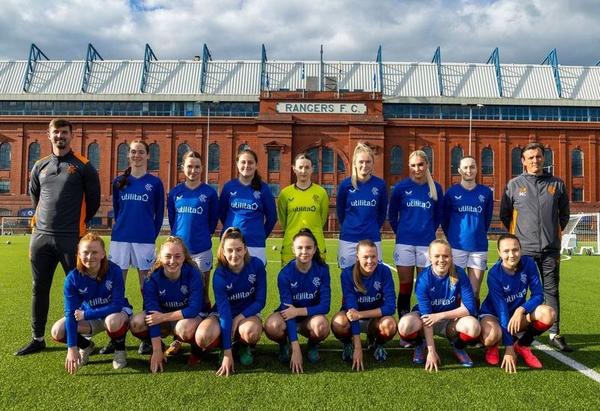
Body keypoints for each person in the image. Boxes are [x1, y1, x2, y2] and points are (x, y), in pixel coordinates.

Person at [16, 118, 101, 356]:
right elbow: (35, 197)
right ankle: (37, 338)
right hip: (41, 237)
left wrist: (76, 223)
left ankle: (85, 338)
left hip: (71, 237)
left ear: (71, 135)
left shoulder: (84, 166)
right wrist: (43, 223)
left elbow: (94, 201)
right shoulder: (40, 165)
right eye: (56, 132)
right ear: (49, 135)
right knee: (39, 287)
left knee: (80, 289)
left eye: (64, 132)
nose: (60, 136)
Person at [499, 142, 571, 352]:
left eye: (538, 156)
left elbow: (564, 215)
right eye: (530, 158)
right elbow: (505, 215)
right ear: (523, 161)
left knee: (551, 290)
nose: (535, 161)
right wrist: (521, 237)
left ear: (544, 158)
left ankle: (554, 333)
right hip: (523, 251)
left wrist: (551, 235)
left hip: (550, 250)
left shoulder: (557, 184)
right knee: (519, 290)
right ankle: (514, 329)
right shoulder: (514, 185)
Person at [107, 139, 164, 355]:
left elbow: (159, 213)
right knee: (116, 287)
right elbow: (117, 209)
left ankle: (147, 335)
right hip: (120, 239)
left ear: (148, 155)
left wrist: (150, 234)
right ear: (128, 155)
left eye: (141, 152)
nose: (136, 155)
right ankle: (116, 336)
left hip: (144, 240)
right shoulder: (119, 181)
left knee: (146, 287)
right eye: (133, 152)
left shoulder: (155, 183)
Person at [50, 233, 131, 373]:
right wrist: (72, 347)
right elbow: (70, 313)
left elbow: (117, 305)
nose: (90, 256)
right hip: (90, 317)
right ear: (78, 254)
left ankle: (120, 350)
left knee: (112, 321)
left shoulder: (114, 270)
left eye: (95, 252)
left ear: (103, 254)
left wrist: (86, 314)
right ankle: (86, 346)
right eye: (85, 252)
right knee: (57, 331)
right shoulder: (72, 278)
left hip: (115, 314)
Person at [398, 239, 480, 371]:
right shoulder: (423, 279)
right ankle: (420, 344)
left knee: (473, 327)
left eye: (445, 256)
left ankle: (458, 347)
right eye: (437, 256)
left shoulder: (459, 273)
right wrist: (431, 351)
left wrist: (439, 316)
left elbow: (470, 307)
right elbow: (426, 317)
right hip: (425, 320)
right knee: (404, 325)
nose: (441, 260)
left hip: (449, 322)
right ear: (430, 258)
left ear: (451, 257)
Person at [479, 234, 556, 373]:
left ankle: (522, 345)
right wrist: (508, 348)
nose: (511, 255)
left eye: (515, 250)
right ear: (499, 253)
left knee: (548, 313)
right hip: (494, 315)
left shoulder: (528, 263)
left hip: (516, 314)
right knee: (490, 337)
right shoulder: (494, 274)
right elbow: (502, 311)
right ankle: (493, 346)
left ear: (520, 249)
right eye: (506, 251)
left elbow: (538, 295)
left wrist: (521, 309)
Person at [195, 228, 266, 377]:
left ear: (245, 249)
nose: (235, 255)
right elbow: (225, 312)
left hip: (248, 313)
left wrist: (239, 317)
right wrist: (227, 353)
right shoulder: (220, 274)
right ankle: (224, 345)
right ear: (224, 251)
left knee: (251, 332)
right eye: (230, 250)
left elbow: (260, 301)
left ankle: (242, 345)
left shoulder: (257, 265)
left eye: (239, 249)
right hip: (223, 313)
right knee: (202, 337)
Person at [129, 236, 205, 373]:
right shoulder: (152, 279)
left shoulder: (193, 273)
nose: (172, 261)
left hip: (187, 318)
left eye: (177, 256)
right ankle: (160, 346)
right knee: (136, 323)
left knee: (185, 329)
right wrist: (157, 350)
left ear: (184, 257)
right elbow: (152, 315)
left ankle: (196, 351)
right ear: (161, 258)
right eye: (168, 256)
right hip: (162, 319)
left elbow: (193, 309)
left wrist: (163, 317)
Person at [265, 229, 331, 373]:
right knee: (272, 325)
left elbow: (325, 306)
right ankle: (284, 344)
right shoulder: (285, 274)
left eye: (308, 247)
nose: (304, 251)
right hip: (288, 317)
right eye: (300, 248)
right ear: (293, 250)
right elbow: (287, 311)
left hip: (310, 318)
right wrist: (295, 348)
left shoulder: (322, 270)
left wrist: (298, 311)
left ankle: (312, 345)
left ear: (314, 249)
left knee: (322, 326)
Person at [388, 150, 443, 320]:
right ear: (409, 166)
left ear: (427, 165)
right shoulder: (401, 187)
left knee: (424, 286)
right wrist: (401, 231)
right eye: (413, 165)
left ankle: (423, 322)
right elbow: (392, 215)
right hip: (404, 243)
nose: (417, 168)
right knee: (405, 286)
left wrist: (428, 230)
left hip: (426, 244)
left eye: (420, 164)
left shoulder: (436, 188)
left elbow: (438, 215)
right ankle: (405, 324)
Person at [331, 240, 397, 371]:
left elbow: (390, 307)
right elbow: (352, 310)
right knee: (339, 322)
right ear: (357, 257)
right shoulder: (347, 274)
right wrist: (357, 346)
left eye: (373, 256)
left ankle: (377, 343)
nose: (370, 261)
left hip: (375, 319)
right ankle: (348, 343)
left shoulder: (384, 271)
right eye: (365, 257)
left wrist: (360, 314)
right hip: (351, 319)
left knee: (389, 325)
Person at [167, 151, 218, 309]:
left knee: (203, 292)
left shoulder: (210, 193)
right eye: (189, 166)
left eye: (197, 167)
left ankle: (204, 321)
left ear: (202, 168)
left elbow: (213, 221)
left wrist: (202, 236)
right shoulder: (175, 192)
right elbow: (172, 219)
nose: (193, 170)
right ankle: (180, 321)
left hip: (201, 249)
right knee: (179, 290)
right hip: (179, 251)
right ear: (183, 167)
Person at [442, 156, 493, 306]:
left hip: (478, 248)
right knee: (455, 289)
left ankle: (473, 319)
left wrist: (478, 233)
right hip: (456, 247)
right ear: (459, 170)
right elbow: (445, 220)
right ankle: (454, 319)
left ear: (477, 169)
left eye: (472, 167)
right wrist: (453, 237)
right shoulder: (451, 192)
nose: (469, 170)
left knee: (474, 291)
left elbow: (487, 218)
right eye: (465, 167)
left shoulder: (486, 192)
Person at [219, 148, 277, 265]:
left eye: (250, 162)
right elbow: (222, 213)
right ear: (237, 164)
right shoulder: (229, 187)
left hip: (255, 244)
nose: (246, 165)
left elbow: (272, 217)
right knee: (229, 276)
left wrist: (260, 234)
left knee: (254, 276)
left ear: (256, 166)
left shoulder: (263, 188)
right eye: (243, 162)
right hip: (230, 242)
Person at [336, 143, 388, 269]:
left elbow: (382, 212)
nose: (364, 165)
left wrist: (372, 227)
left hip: (372, 238)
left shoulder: (380, 185)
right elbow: (340, 212)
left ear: (372, 163)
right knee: (347, 277)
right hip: (349, 238)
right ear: (355, 163)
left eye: (368, 162)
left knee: (373, 276)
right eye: (361, 162)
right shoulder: (345, 185)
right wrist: (350, 227)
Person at [277, 153, 329, 266]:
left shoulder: (321, 193)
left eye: (307, 167)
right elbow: (283, 221)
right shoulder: (285, 194)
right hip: (290, 246)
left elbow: (322, 219)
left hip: (316, 246)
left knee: (316, 277)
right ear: (294, 169)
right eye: (300, 167)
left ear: (312, 169)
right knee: (289, 277)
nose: (303, 171)